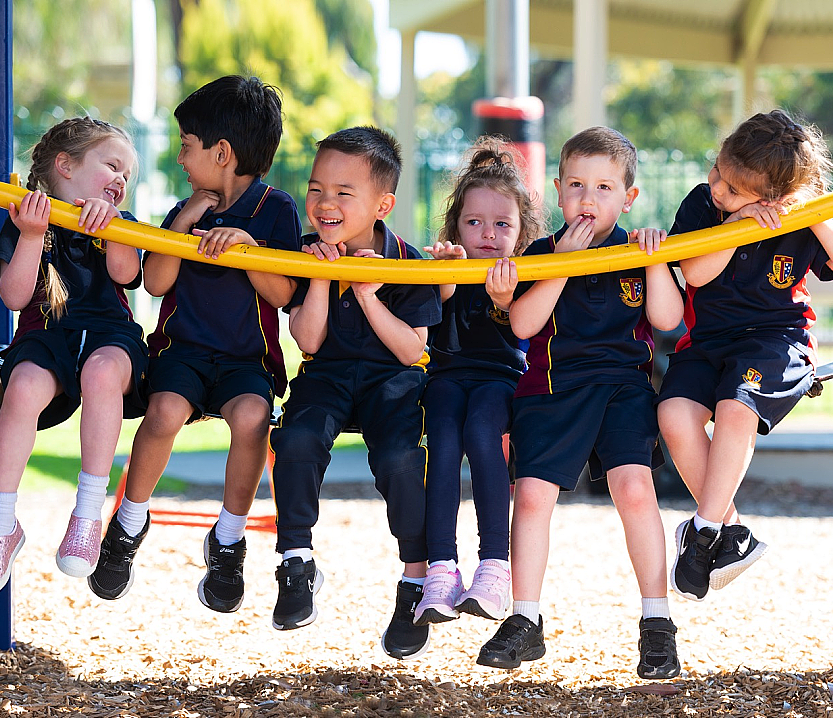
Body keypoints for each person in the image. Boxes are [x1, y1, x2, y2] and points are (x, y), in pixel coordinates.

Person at [475, 126, 685, 680]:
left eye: (604, 187)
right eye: (576, 186)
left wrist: (658, 260)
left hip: (623, 386)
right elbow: (521, 323)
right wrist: (563, 262)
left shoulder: (638, 252)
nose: (588, 200)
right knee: (534, 495)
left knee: (635, 489)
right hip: (552, 387)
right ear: (557, 191)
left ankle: (657, 623)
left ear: (628, 197)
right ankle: (525, 619)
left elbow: (666, 319)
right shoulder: (543, 252)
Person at [86, 75, 302, 613]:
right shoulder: (185, 209)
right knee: (162, 413)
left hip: (245, 360)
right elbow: (155, 283)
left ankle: (228, 540)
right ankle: (128, 524)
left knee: (253, 418)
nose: (181, 158)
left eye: (187, 146)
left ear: (222, 152)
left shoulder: (275, 211)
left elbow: (284, 293)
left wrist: (249, 249)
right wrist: (182, 224)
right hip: (181, 350)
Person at [658, 109, 833, 603]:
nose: (718, 187)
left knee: (738, 408)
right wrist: (735, 221)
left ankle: (704, 530)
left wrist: (813, 215)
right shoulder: (704, 203)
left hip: (777, 340)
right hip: (709, 341)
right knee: (672, 413)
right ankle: (730, 534)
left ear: (774, 198)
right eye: (718, 171)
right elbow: (694, 273)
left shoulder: (800, 214)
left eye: (734, 189)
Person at [269, 126, 443, 660]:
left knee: (400, 457)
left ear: (382, 204)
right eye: (317, 188)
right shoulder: (304, 254)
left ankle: (414, 581)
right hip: (328, 371)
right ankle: (296, 561)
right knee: (295, 438)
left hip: (392, 378)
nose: (325, 203)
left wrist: (367, 293)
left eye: (344, 193)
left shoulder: (409, 262)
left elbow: (411, 351)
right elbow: (309, 339)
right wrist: (323, 275)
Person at [0, 117, 146, 599]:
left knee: (103, 371)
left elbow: (129, 275)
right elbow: (14, 295)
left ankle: (88, 512)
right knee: (22, 386)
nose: (121, 180)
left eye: (127, 175)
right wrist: (29, 235)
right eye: (111, 165)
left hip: (110, 337)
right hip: (47, 334)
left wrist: (113, 232)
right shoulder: (28, 218)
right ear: (65, 166)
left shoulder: (119, 224)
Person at [412, 137, 542, 629]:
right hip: (446, 374)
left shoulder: (526, 271)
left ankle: (494, 567)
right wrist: (445, 281)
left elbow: (525, 328)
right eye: (474, 223)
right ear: (455, 226)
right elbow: (429, 317)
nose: (488, 234)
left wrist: (507, 299)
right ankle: (441, 569)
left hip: (501, 377)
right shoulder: (447, 267)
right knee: (442, 441)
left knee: (483, 436)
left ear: (521, 232)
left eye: (502, 224)